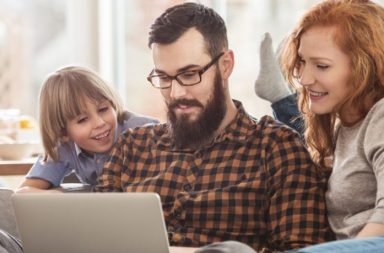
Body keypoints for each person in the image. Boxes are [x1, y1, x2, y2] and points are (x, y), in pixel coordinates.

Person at [94, 2, 333, 252]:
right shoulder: (132, 147)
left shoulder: (275, 147)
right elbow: (93, 237)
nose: (176, 93)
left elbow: (301, 248)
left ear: (225, 65)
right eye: (163, 77)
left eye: (189, 74)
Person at [207, 0, 384, 252]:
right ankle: (281, 97)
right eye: (301, 62)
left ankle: (281, 97)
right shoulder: (343, 124)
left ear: (366, 66)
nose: (303, 78)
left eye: (321, 66)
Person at [17, 66, 158, 192]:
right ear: (63, 132)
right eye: (83, 120)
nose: (99, 123)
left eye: (103, 109)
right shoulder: (64, 147)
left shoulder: (144, 132)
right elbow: (25, 192)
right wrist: (64, 195)